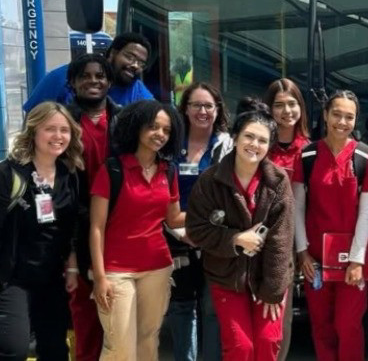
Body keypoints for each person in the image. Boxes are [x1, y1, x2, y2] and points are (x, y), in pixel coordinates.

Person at [186, 102, 294, 361]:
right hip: (227, 276)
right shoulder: (210, 181)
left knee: (268, 342)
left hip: (268, 276)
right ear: (235, 138)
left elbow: (281, 240)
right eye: (248, 136)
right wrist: (235, 239)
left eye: (262, 140)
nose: (254, 144)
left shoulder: (277, 181)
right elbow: (196, 229)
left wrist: (272, 291)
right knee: (240, 347)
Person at [89, 100, 184, 361]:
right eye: (153, 127)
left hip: (158, 267)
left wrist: (213, 214)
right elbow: (96, 227)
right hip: (116, 271)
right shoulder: (112, 169)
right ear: (137, 128)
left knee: (147, 343)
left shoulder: (169, 171)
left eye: (166, 130)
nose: (160, 135)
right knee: (120, 350)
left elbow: (174, 219)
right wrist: (99, 278)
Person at [293, 90, 368, 361]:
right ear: (325, 115)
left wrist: (357, 261)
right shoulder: (307, 156)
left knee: (348, 325)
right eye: (337, 114)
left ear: (356, 121)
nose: (342, 122)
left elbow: (367, 215)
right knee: (321, 325)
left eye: (349, 117)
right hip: (316, 260)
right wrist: (302, 253)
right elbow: (297, 208)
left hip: (352, 260)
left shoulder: (366, 158)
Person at [0, 102, 84, 360]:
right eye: (50, 129)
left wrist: (71, 267)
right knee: (13, 349)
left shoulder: (70, 174)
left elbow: (72, 227)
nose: (58, 137)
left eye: (64, 130)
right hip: (12, 277)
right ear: (33, 131)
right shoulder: (10, 173)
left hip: (51, 277)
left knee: (55, 350)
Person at [167, 82, 232, 361]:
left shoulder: (227, 146)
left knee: (211, 307)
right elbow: (160, 190)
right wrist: (178, 229)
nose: (202, 111)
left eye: (209, 106)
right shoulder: (170, 144)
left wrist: (203, 230)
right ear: (185, 109)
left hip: (213, 237)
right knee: (181, 307)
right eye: (196, 105)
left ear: (217, 110)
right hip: (175, 236)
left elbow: (230, 197)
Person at [65, 53, 122, 361]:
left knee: (120, 317)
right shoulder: (63, 122)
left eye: (100, 75)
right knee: (85, 317)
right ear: (73, 83)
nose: (93, 81)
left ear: (109, 82)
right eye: (85, 76)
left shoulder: (126, 120)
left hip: (119, 227)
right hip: (78, 227)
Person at [263, 78, 310, 361]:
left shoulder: (309, 149)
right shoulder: (258, 144)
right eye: (278, 105)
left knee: (281, 309)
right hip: (255, 236)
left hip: (290, 240)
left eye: (292, 104)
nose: (286, 111)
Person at [23, 32, 154, 112]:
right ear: (113, 53)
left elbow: (157, 117)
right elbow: (32, 120)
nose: (135, 65)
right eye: (129, 57)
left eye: (141, 63)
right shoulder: (61, 77)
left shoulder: (136, 90)